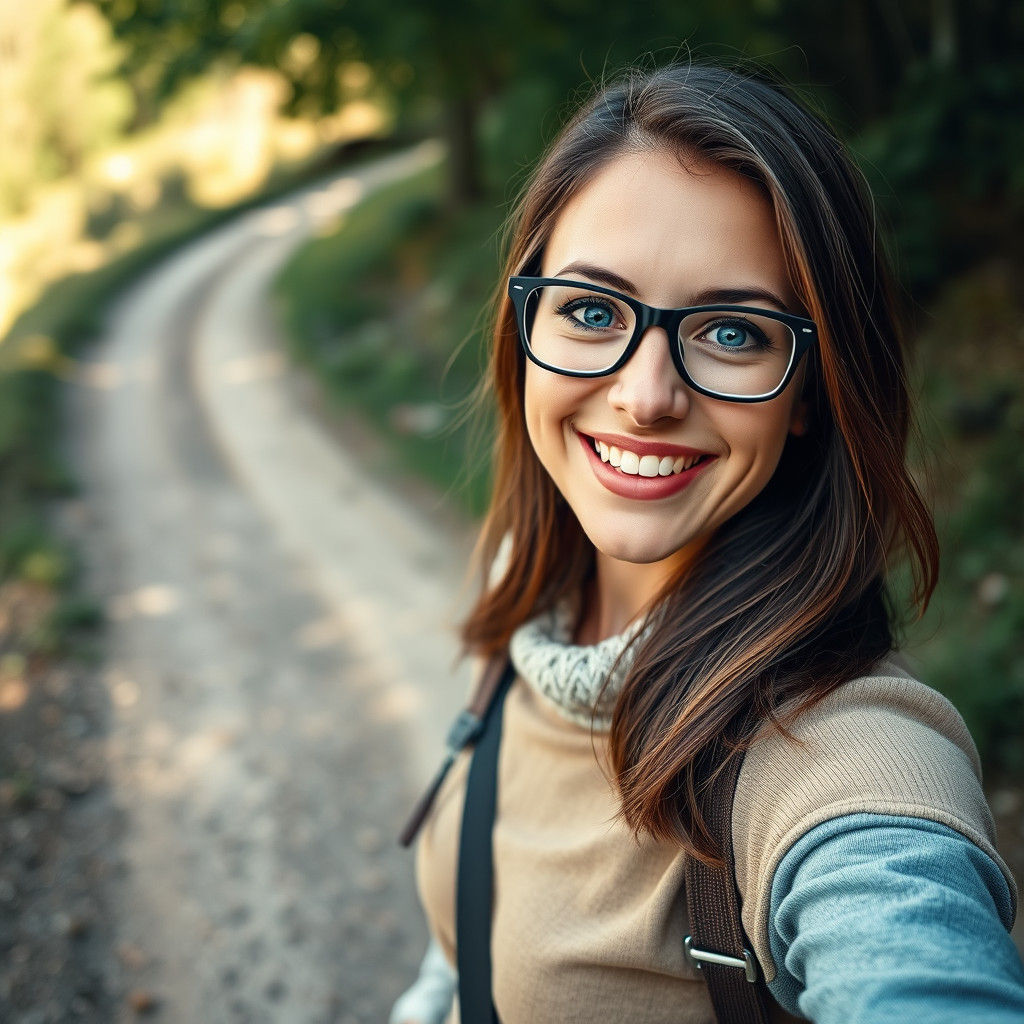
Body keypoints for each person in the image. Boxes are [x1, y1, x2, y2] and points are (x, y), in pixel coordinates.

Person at [389, 60, 1024, 1024]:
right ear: (526, 331)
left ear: (813, 389)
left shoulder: (841, 757)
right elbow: (464, 944)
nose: (647, 396)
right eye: (592, 312)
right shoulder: (535, 607)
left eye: (731, 331)